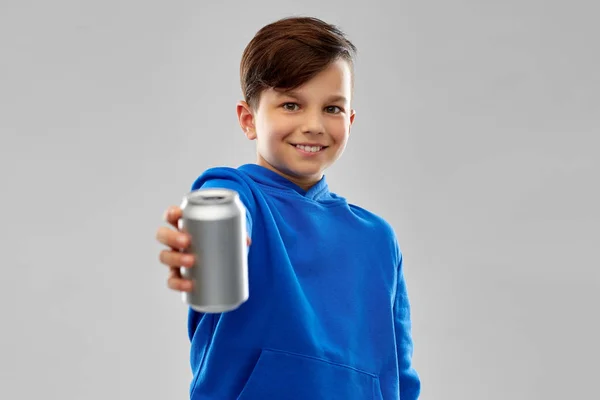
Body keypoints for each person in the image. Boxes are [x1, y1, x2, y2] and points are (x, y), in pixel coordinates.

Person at [155, 16, 421, 399]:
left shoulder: (377, 237)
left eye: (332, 108)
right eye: (291, 104)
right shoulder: (237, 194)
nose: (313, 124)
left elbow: (401, 373)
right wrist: (202, 241)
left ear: (350, 119)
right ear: (249, 120)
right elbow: (220, 208)